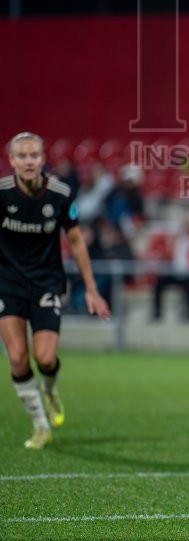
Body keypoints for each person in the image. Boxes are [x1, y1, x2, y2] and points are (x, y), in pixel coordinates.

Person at [0, 132, 111, 449]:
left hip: (46, 281)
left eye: (33, 155)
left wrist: (91, 289)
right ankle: (40, 425)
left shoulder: (61, 194)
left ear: (43, 158)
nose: (28, 161)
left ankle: (49, 390)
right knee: (18, 357)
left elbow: (76, 241)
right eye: (21, 156)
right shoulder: (2, 194)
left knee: (45, 357)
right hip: (8, 282)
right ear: (12, 161)